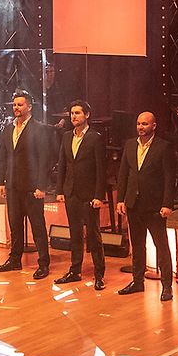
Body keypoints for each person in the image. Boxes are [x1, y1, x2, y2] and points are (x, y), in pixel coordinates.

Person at [115, 111, 177, 299]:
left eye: (145, 124)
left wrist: (167, 204)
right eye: (139, 124)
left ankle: (167, 286)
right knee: (137, 245)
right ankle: (137, 281)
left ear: (154, 126)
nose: (141, 127)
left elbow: (169, 178)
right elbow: (123, 174)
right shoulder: (129, 144)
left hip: (155, 206)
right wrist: (120, 199)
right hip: (133, 204)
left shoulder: (164, 147)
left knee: (161, 246)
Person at [0, 90, 54, 279]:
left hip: (32, 187)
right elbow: (2, 157)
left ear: (29, 106)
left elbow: (45, 159)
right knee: (15, 225)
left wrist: (41, 186)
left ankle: (43, 263)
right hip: (12, 186)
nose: (16, 108)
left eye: (20, 104)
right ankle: (14, 260)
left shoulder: (39, 129)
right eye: (14, 105)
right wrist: (0, 182)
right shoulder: (8, 129)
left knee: (37, 227)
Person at [55, 100, 108, 289]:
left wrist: (98, 196)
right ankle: (75, 270)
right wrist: (60, 190)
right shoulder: (66, 136)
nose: (74, 116)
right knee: (75, 233)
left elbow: (101, 170)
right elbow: (63, 164)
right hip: (71, 192)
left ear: (87, 115)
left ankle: (99, 274)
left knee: (93, 235)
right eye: (72, 113)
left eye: (77, 113)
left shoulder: (95, 138)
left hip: (89, 194)